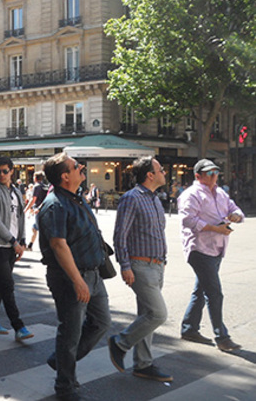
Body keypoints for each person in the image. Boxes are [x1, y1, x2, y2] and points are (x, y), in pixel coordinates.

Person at [37, 152, 111, 401]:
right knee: (70, 333)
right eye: (76, 166)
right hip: (71, 278)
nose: (82, 168)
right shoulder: (55, 204)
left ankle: (60, 361)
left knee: (101, 322)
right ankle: (65, 386)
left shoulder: (77, 198)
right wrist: (78, 281)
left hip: (93, 274)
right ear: (65, 176)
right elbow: (59, 245)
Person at [109, 157, 172, 382]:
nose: (164, 172)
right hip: (140, 266)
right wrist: (125, 266)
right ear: (150, 175)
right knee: (158, 314)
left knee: (147, 316)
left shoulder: (154, 199)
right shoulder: (132, 198)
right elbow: (120, 236)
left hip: (157, 265)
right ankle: (120, 342)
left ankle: (143, 364)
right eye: (160, 169)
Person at [179, 159, 244, 352]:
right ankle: (221, 336)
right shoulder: (192, 194)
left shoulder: (221, 193)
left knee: (202, 289)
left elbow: (235, 209)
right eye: (209, 173)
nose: (214, 176)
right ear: (198, 176)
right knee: (214, 292)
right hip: (199, 248)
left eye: (215, 172)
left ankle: (189, 328)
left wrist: (236, 216)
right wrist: (215, 228)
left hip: (216, 248)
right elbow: (187, 220)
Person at [0, 157, 34, 341]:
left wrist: (22, 240)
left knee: (0, 284)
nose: (1, 175)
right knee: (8, 284)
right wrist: (14, 241)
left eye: (5, 171)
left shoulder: (16, 192)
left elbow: (20, 218)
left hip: (12, 244)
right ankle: (18, 326)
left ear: (12, 171)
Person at [23, 171, 48, 251]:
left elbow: (33, 200)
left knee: (39, 228)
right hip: (45, 209)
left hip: (38, 210)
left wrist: (26, 209)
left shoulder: (36, 187)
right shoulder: (45, 186)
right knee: (35, 228)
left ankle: (44, 247)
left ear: (35, 178)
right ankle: (30, 245)